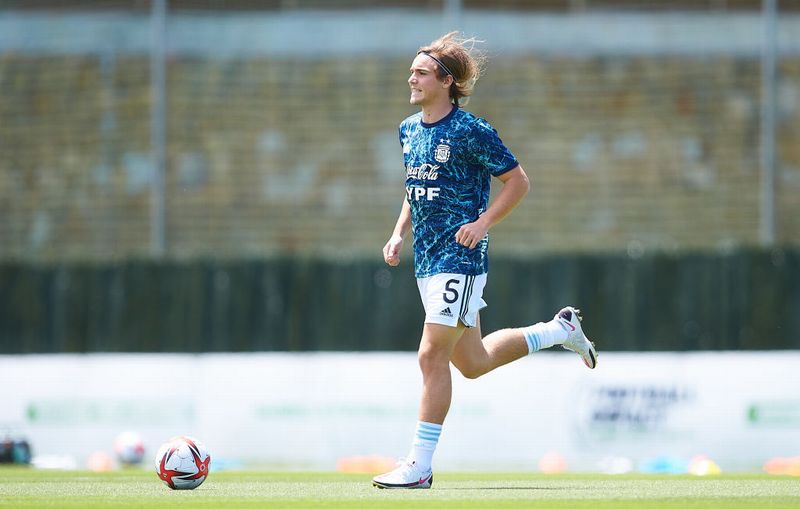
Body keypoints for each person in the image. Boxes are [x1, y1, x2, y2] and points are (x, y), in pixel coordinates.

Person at [371, 32, 598, 490]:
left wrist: (483, 223)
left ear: (446, 81)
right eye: (412, 71)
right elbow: (416, 186)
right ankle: (560, 330)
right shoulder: (408, 129)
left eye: (421, 72)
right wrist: (398, 233)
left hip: (461, 258)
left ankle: (419, 465)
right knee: (473, 363)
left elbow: (518, 182)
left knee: (430, 355)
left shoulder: (471, 130)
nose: (411, 78)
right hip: (427, 262)